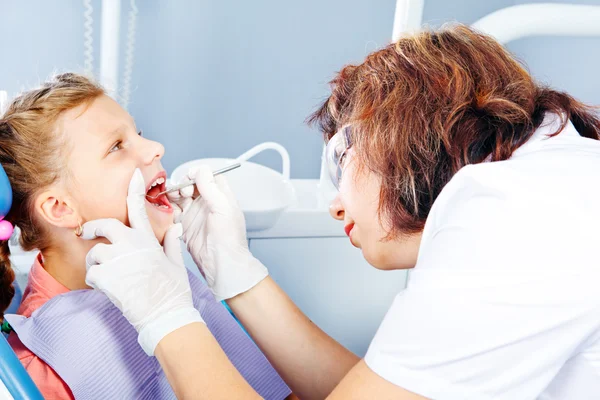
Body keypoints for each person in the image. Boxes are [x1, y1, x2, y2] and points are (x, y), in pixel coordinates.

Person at [84, 24, 600, 399]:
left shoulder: (516, 216)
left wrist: (166, 318)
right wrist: (237, 276)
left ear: (389, 129)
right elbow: (390, 387)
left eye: (340, 159)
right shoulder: (545, 186)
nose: (335, 205)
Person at [0, 74, 291, 399]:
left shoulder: (165, 278)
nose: (156, 148)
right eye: (116, 147)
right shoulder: (41, 365)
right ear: (59, 208)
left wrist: (241, 276)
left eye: (137, 134)